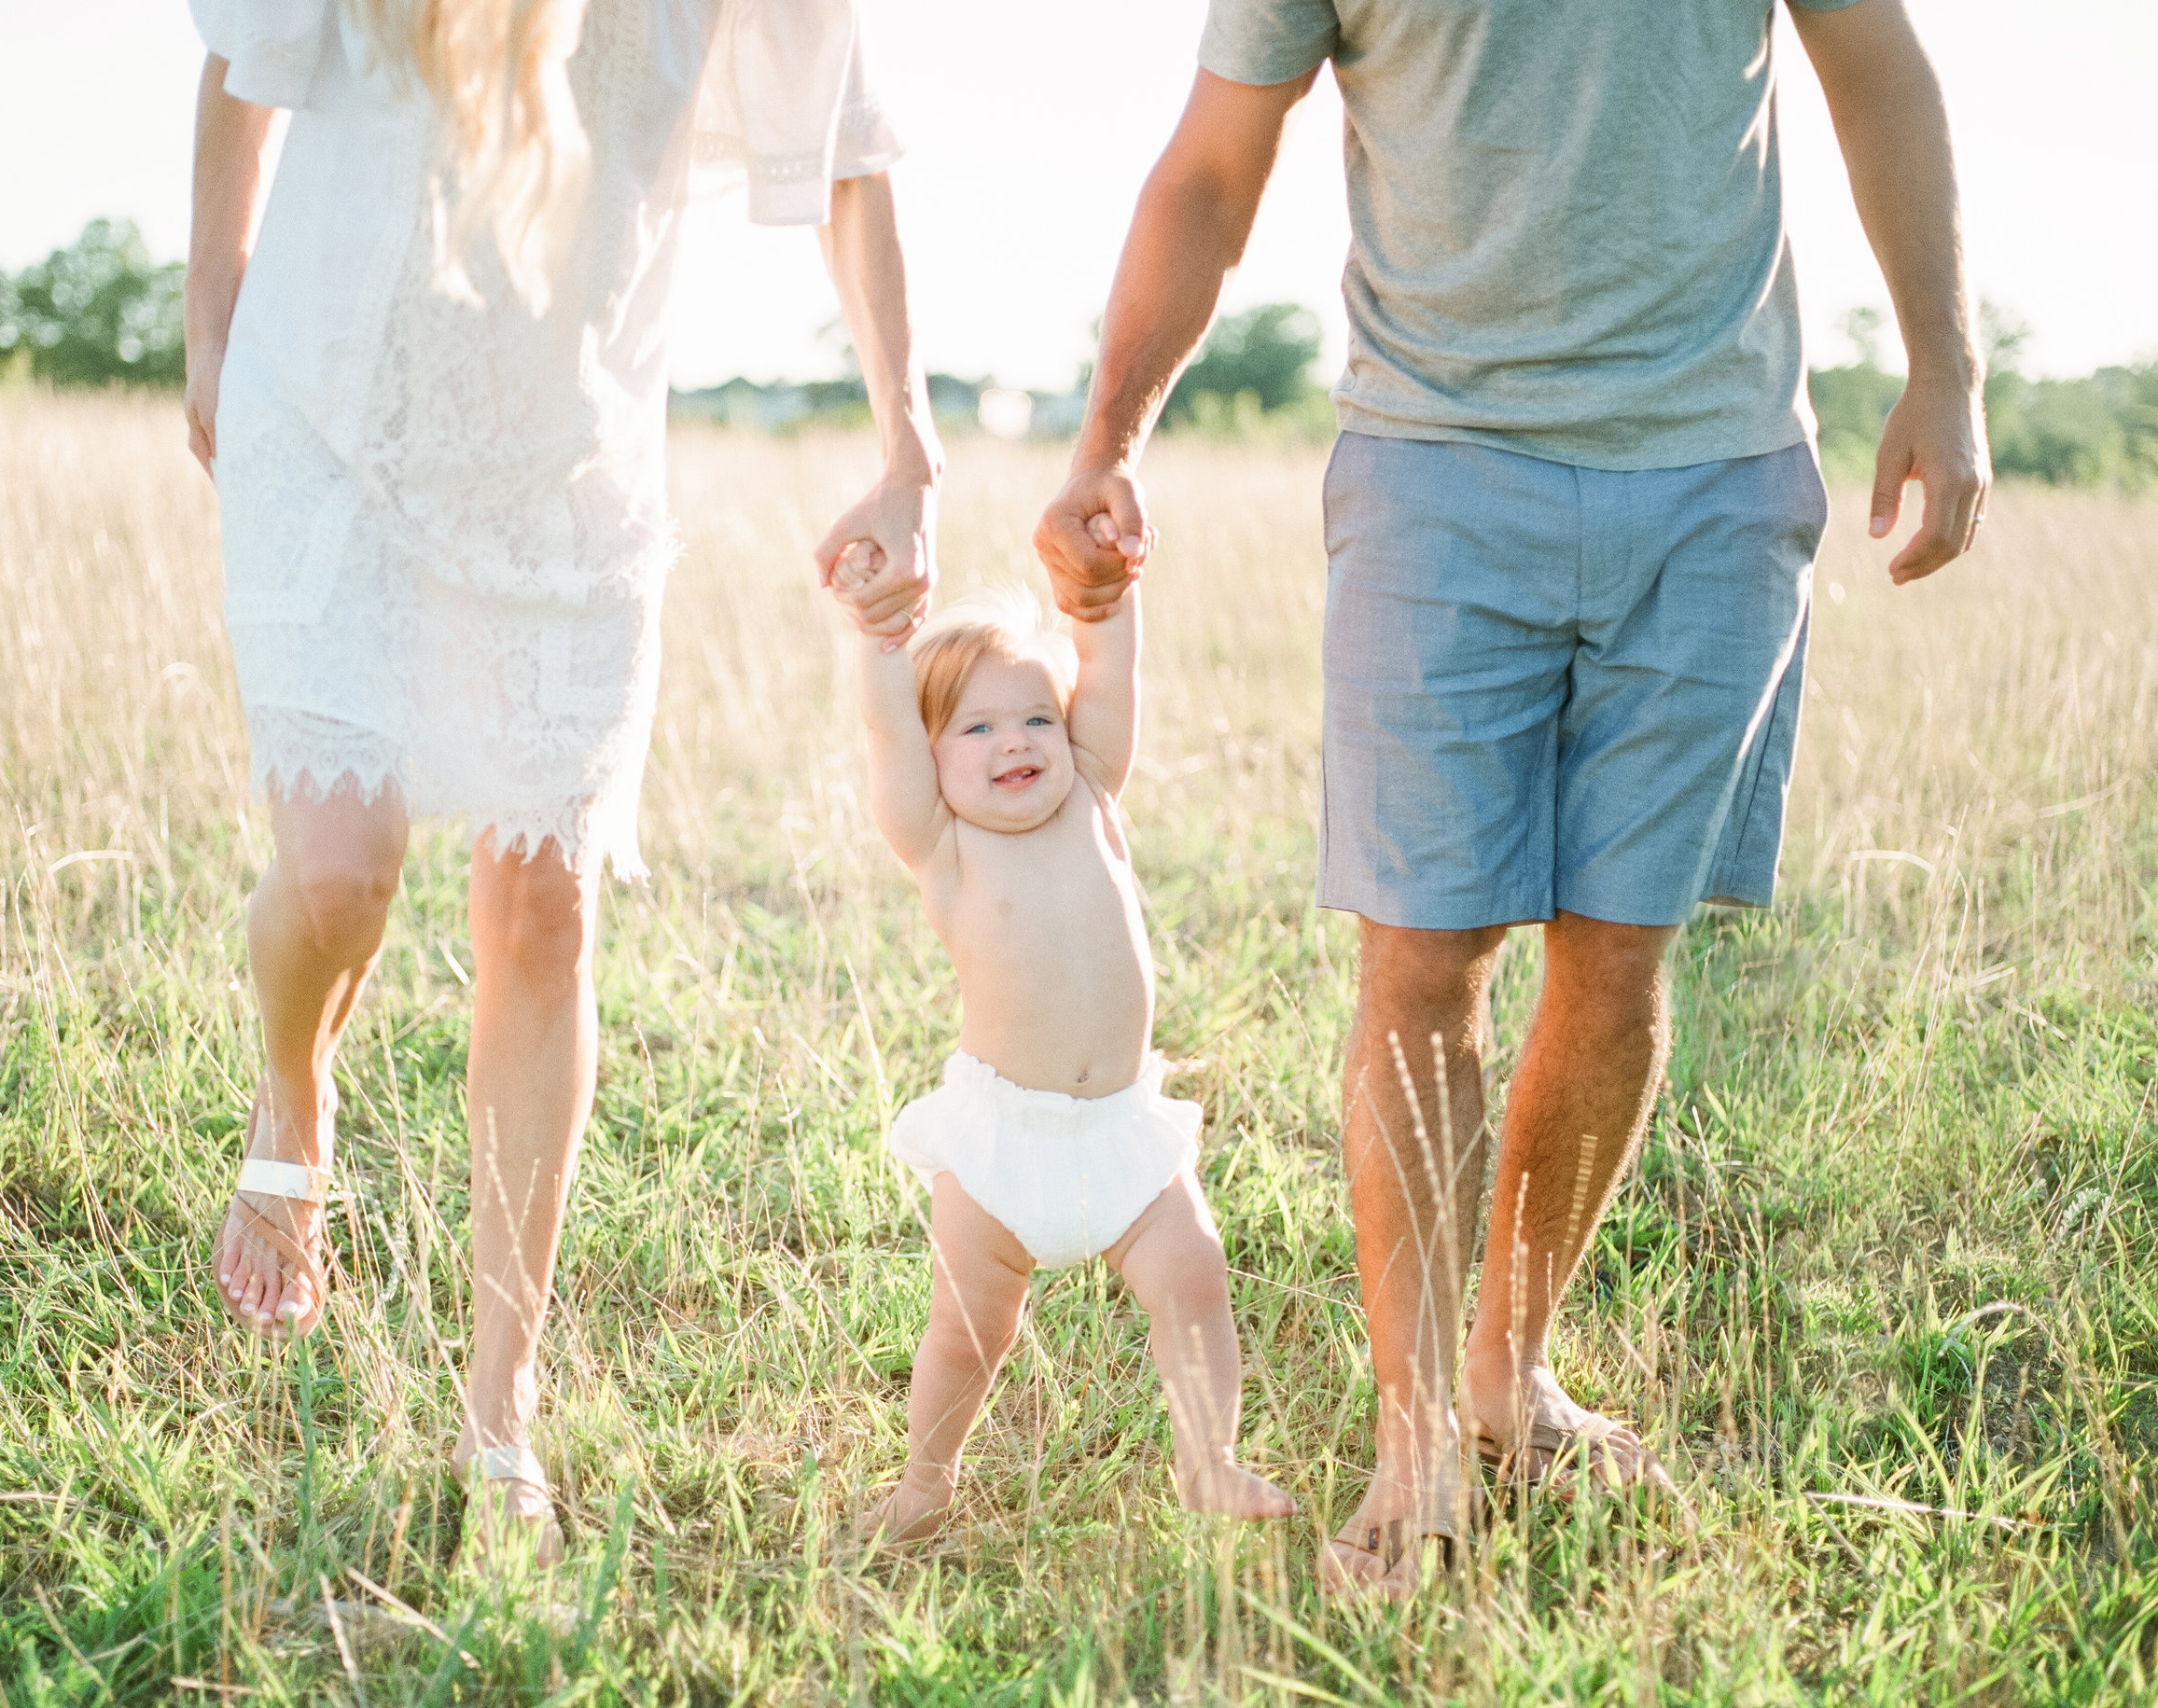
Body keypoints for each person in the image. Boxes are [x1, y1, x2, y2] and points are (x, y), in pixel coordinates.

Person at [1035, 0, 1988, 1596]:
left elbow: (1875, 55)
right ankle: (1416, 1440)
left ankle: (1508, 1368)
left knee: (1619, 956)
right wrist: (1104, 439)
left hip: (1717, 467)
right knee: (1422, 960)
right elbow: (1210, 170)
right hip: (1436, 468)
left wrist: (1946, 368)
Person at [183, 0, 939, 1564]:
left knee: (545, 911)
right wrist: (210, 325)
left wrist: (909, 448)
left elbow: (850, 155)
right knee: (340, 869)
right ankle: (295, 1085)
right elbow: (242, 66)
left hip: (570, 468)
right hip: (328, 410)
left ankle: (499, 1402)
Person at [825, 551, 1295, 1540]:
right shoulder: (941, 843)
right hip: (1001, 1146)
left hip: (1122, 1134)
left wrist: (1105, 592)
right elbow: (882, 723)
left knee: (1195, 1277)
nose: (1017, 743)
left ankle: (1208, 1461)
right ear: (934, 752)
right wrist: (876, 636)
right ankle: (925, 1483)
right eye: (979, 726)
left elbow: (1111, 672)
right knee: (965, 1332)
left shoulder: (1093, 797)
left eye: (1037, 716)